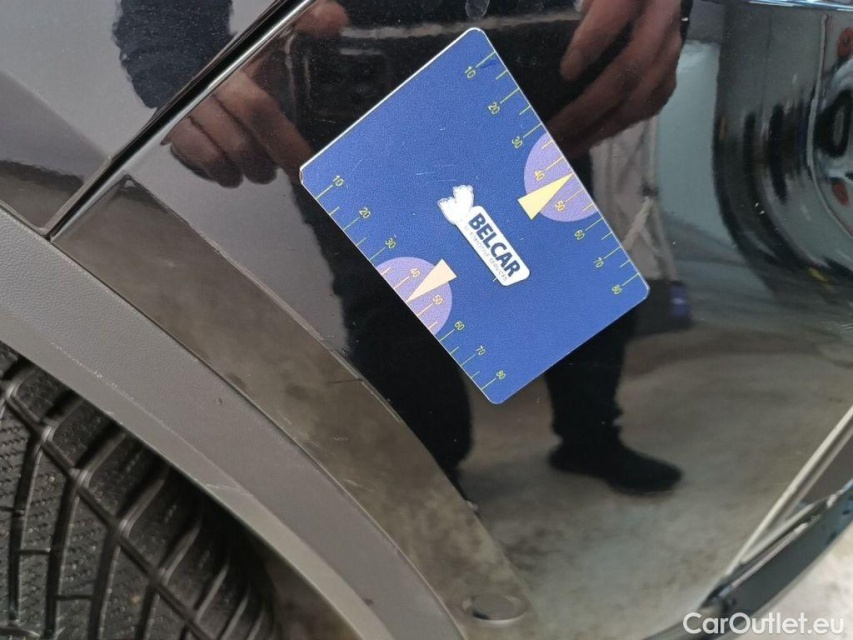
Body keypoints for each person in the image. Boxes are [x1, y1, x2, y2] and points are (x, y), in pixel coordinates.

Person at [115, 0, 689, 495]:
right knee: (394, 316)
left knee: (568, 279)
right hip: (359, 100)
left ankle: (590, 439)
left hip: (521, 78)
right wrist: (178, 64)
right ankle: (439, 480)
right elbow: (166, 22)